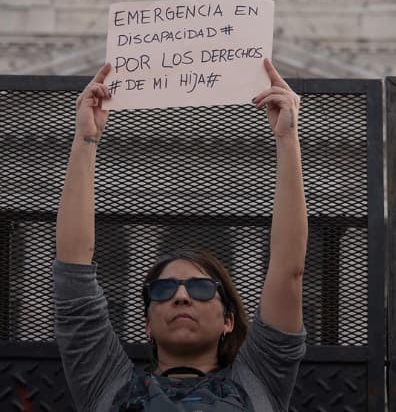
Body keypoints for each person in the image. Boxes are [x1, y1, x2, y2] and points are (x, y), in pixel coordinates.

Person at [54, 58, 307, 411]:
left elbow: (288, 272)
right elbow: (72, 267)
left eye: (202, 288)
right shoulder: (107, 383)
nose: (182, 297)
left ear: (228, 321)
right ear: (146, 324)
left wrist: (287, 139)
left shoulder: (259, 377)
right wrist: (85, 139)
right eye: (163, 289)